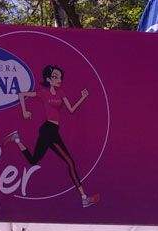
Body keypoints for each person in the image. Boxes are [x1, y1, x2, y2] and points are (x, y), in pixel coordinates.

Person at [8, 64, 99, 208]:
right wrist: (24, 111)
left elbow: (71, 110)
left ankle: (17, 139)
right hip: (48, 130)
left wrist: (82, 98)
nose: (59, 79)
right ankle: (84, 198)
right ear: (48, 79)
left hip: (53, 130)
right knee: (69, 162)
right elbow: (21, 94)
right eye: (56, 77)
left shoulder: (61, 93)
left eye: (60, 77)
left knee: (33, 160)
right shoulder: (43, 92)